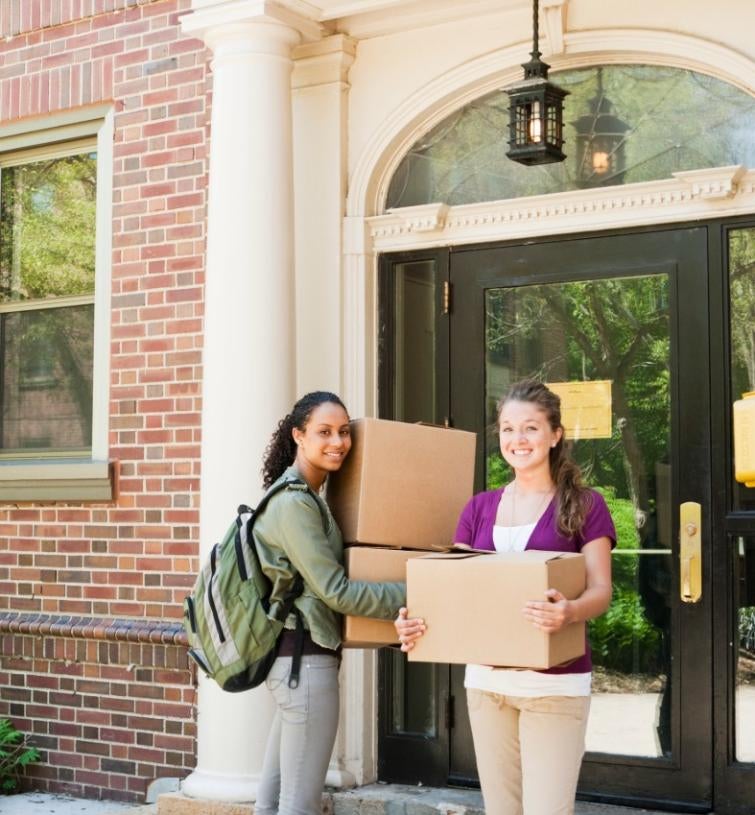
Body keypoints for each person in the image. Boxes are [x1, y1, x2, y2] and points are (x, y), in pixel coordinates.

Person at [396, 379, 615, 815]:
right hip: (488, 686)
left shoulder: (585, 505)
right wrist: (413, 622)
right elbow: (453, 592)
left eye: (531, 428)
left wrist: (568, 612)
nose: (518, 439)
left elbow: (602, 590)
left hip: (554, 686)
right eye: (508, 429)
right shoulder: (478, 508)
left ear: (555, 435)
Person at [253, 391, 406, 815]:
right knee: (297, 806)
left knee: (272, 804)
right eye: (324, 432)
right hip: (305, 667)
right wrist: (419, 592)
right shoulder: (295, 504)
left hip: (293, 666)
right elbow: (335, 590)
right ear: (298, 435)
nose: (338, 442)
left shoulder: (306, 497)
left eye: (343, 432)